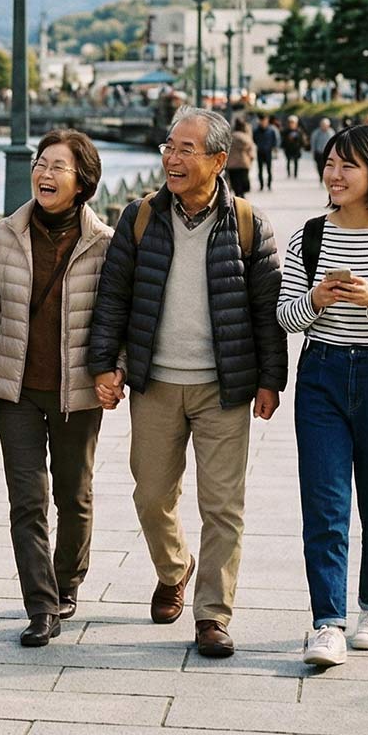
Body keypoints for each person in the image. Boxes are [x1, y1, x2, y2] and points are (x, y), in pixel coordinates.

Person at [88, 107, 287, 659]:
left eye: (186, 149)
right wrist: (106, 364)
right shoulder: (140, 218)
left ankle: (212, 614)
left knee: (223, 505)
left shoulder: (249, 223)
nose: (172, 159)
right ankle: (174, 568)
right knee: (152, 495)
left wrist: (271, 380)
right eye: (168, 147)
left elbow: (266, 309)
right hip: (155, 383)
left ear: (219, 160)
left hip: (224, 388)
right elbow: (114, 299)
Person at [0, 130, 113, 647]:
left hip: (77, 392)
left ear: (82, 181)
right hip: (17, 389)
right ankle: (41, 605)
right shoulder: (5, 234)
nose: (44, 174)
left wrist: (116, 371)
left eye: (58, 167)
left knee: (74, 496)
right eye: (39, 163)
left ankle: (67, 581)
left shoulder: (105, 243)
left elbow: (116, 319)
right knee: (27, 500)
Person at [277, 125, 368, 668]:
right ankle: (326, 622)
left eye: (347, 166)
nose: (333, 174)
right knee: (325, 507)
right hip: (322, 378)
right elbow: (286, 318)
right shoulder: (308, 237)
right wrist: (315, 297)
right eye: (330, 163)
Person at [225, 118, 255, 199]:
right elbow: (251, 151)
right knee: (243, 179)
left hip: (232, 164)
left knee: (235, 181)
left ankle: (238, 194)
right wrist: (251, 159)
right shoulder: (247, 138)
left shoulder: (230, 137)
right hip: (244, 162)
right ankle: (242, 193)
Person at [253, 115, 280, 192]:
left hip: (268, 152)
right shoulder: (256, 131)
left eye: (265, 121)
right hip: (260, 152)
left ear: (267, 121)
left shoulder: (271, 131)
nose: (263, 123)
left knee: (269, 170)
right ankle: (261, 185)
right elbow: (254, 139)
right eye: (262, 121)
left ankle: (269, 185)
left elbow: (274, 140)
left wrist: (274, 148)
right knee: (260, 170)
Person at [282, 115, 306, 180]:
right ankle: (289, 174)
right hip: (288, 148)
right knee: (288, 161)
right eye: (290, 122)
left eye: (293, 122)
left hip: (296, 149)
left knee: (296, 162)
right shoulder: (286, 131)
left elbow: (302, 140)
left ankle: (295, 174)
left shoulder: (299, 131)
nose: (291, 124)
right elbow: (283, 140)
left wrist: (302, 146)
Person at [312, 118, 335, 184]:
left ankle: (326, 179)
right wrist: (313, 152)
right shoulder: (316, 132)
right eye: (323, 125)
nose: (324, 126)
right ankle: (321, 177)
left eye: (326, 125)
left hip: (328, 153)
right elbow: (313, 142)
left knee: (327, 167)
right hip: (319, 153)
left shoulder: (331, 132)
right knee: (320, 166)